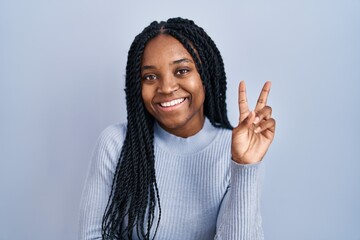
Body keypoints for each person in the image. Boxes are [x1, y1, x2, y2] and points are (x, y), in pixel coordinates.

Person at [79, 17, 275, 240]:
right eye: (150, 76)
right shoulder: (115, 144)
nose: (167, 87)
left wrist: (244, 167)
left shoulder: (235, 151)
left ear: (205, 75)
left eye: (182, 71)